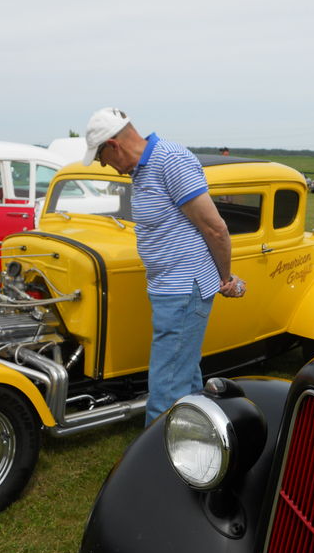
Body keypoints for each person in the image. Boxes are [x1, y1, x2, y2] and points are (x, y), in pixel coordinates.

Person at [82, 107, 246, 425]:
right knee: (183, 371)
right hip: (168, 288)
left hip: (183, 289)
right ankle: (195, 437)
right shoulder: (140, 170)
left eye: (102, 158)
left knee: (166, 383)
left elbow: (216, 228)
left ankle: (159, 454)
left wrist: (225, 277)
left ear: (113, 145)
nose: (107, 166)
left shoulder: (170, 160)